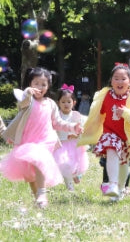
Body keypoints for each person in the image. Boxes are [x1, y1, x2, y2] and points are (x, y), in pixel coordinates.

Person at [0, 68, 83, 208]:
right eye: (36, 83)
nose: (39, 87)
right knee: (29, 175)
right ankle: (38, 197)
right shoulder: (27, 101)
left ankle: (42, 193)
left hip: (45, 140)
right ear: (29, 83)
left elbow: (57, 123)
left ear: (48, 86)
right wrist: (28, 92)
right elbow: (23, 100)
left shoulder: (50, 103)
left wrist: (72, 127)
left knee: (39, 161)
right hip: (27, 141)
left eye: (43, 84)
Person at [77, 63, 130, 202]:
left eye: (123, 79)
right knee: (111, 151)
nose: (119, 82)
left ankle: (120, 189)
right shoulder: (104, 95)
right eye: (116, 78)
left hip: (128, 138)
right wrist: (84, 125)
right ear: (111, 81)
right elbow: (96, 113)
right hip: (110, 133)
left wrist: (126, 113)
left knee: (124, 166)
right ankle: (113, 185)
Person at [53, 84, 89, 191]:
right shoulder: (56, 116)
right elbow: (53, 129)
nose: (66, 104)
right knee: (64, 165)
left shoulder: (76, 115)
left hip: (75, 144)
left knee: (76, 164)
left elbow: (84, 128)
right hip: (62, 145)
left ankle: (76, 175)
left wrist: (76, 135)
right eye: (63, 102)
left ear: (74, 103)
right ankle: (69, 187)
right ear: (58, 103)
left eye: (69, 102)